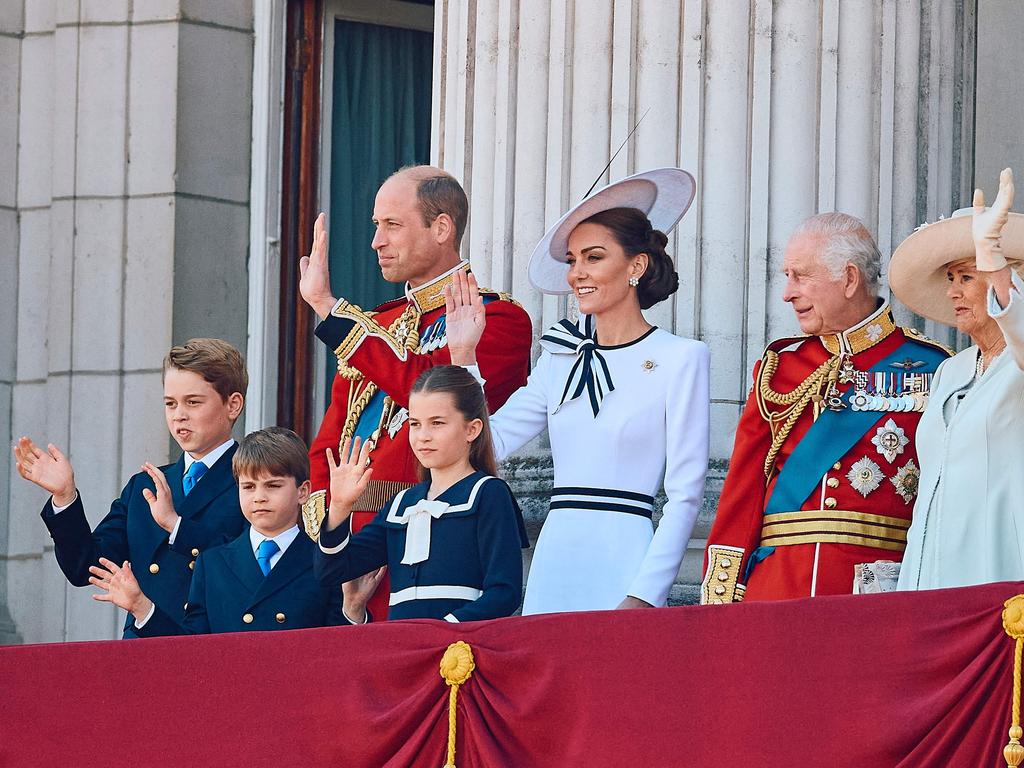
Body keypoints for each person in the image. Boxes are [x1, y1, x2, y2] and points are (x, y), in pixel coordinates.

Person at [446, 168, 710, 614]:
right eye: (572, 260)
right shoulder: (560, 355)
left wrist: (646, 593)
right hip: (556, 560)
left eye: (593, 257)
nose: (576, 274)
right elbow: (490, 441)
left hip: (628, 560)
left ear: (636, 266)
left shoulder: (682, 357)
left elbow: (686, 494)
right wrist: (464, 356)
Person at [299, 165, 532, 621]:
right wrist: (333, 519)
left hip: (440, 538)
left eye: (392, 225)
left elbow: (427, 388)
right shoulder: (375, 325)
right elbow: (331, 440)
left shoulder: (498, 318)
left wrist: (329, 309)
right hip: (351, 548)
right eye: (375, 226)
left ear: (441, 227)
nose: (376, 241)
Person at [700, 213, 951, 603]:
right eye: (787, 276)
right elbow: (741, 497)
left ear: (849, 279)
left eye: (800, 276)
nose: (787, 292)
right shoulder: (779, 369)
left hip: (879, 594)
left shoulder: (935, 368)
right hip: (776, 592)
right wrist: (720, 603)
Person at [12, 339, 249, 637]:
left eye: (193, 402)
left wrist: (176, 526)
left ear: (233, 405)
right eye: (170, 403)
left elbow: (247, 569)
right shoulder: (145, 486)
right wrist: (65, 497)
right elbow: (85, 567)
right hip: (142, 649)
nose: (179, 415)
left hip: (212, 650)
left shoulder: (251, 483)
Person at [88, 427, 379, 633]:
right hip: (227, 709)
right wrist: (141, 607)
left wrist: (353, 610)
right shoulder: (212, 562)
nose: (259, 497)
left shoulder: (323, 565)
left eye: (273, 485)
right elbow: (189, 652)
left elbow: (336, 658)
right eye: (248, 486)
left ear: (303, 491)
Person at [890, 169, 1024, 590]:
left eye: (967, 276)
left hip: (997, 568)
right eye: (951, 278)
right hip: (929, 573)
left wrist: (993, 261)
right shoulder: (952, 369)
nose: (953, 291)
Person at [315, 366, 528, 622]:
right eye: (415, 424)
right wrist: (338, 507)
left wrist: (444, 631)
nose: (423, 437)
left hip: (461, 651)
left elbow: (505, 592)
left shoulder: (488, 493)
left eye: (437, 423)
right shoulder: (401, 504)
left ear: (472, 430)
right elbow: (332, 571)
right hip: (403, 647)